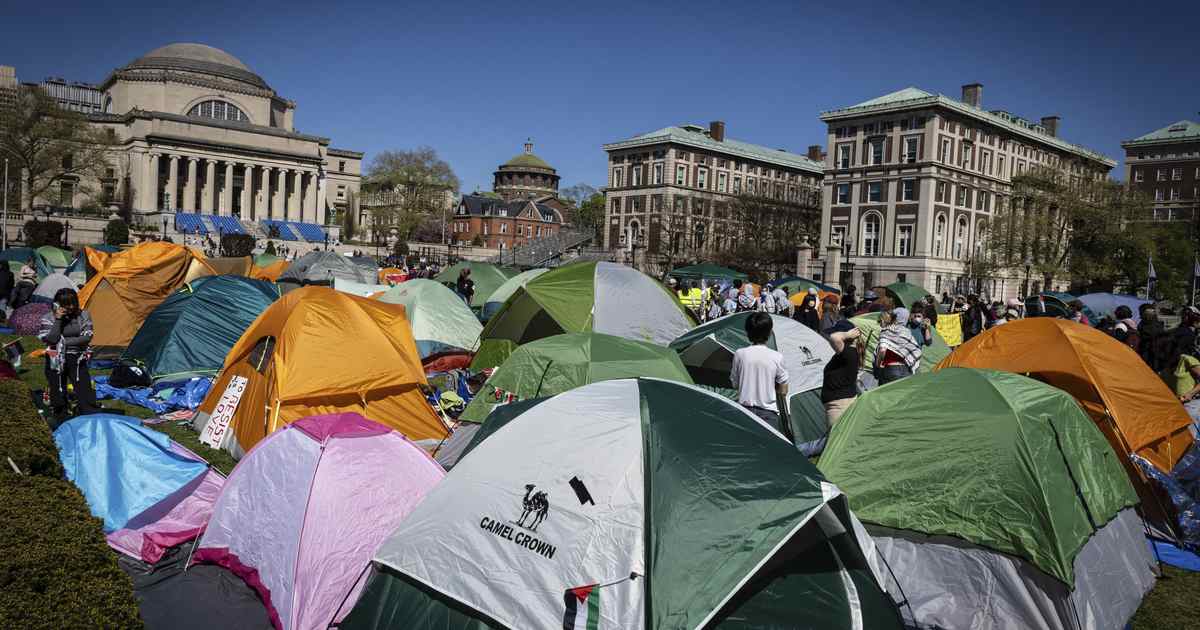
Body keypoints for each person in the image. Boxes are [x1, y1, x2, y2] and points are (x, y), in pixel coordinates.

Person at [38, 288, 98, 423]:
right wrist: (58, 320)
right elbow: (50, 339)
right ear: (57, 304)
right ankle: (61, 417)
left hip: (77, 358)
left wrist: (63, 342)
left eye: (73, 303)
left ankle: (89, 416)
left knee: (83, 387)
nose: (71, 307)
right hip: (55, 359)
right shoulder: (48, 318)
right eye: (66, 304)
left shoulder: (83, 315)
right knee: (57, 389)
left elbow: (87, 337)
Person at [730, 312, 791, 441]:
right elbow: (783, 390)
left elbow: (735, 384)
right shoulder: (777, 357)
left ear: (748, 333)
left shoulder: (740, 354)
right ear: (769, 333)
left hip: (745, 412)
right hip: (768, 414)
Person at [822, 320, 863, 428]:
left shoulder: (849, 353)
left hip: (840, 407)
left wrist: (847, 334)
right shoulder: (847, 353)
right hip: (839, 404)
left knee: (836, 440)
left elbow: (834, 338)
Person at [874, 308, 922, 385]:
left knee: (888, 394)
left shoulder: (886, 331)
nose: (879, 324)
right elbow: (915, 349)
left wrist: (877, 365)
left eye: (879, 321)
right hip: (906, 369)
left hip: (890, 369)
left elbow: (882, 350)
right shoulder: (906, 331)